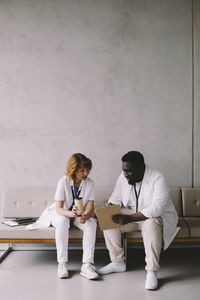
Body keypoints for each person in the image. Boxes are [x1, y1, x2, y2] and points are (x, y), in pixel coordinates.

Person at [98, 151, 179, 290]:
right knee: (107, 216)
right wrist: (108, 209)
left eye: (129, 171)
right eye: (123, 170)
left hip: (154, 217)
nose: (125, 174)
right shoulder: (123, 177)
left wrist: (129, 218)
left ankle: (151, 271)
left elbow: (156, 209)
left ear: (141, 168)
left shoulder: (158, 178)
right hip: (131, 215)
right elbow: (115, 199)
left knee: (151, 223)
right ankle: (117, 262)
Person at [28, 153, 99, 280]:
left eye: (87, 170)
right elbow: (59, 208)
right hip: (63, 213)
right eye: (82, 170)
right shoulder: (63, 181)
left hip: (79, 214)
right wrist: (70, 213)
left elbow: (90, 206)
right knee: (62, 221)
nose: (86, 173)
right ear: (74, 169)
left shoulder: (90, 183)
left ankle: (87, 265)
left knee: (91, 224)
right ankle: (62, 264)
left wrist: (87, 215)